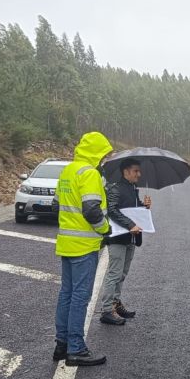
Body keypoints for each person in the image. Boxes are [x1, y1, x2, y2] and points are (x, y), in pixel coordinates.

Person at [53, 131, 113, 366]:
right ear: (97, 152)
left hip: (67, 243)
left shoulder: (68, 170)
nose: (105, 159)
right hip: (84, 245)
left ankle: (62, 344)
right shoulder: (89, 173)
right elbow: (91, 209)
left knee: (66, 295)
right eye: (105, 154)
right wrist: (105, 229)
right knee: (80, 297)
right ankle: (76, 349)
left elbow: (58, 202)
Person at [99, 158, 152, 326]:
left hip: (130, 237)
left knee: (122, 273)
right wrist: (130, 225)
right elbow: (112, 210)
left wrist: (145, 206)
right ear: (126, 172)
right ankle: (107, 310)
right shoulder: (115, 189)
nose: (139, 174)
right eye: (136, 171)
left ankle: (115, 303)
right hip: (117, 237)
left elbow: (132, 212)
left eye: (139, 170)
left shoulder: (132, 189)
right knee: (114, 274)